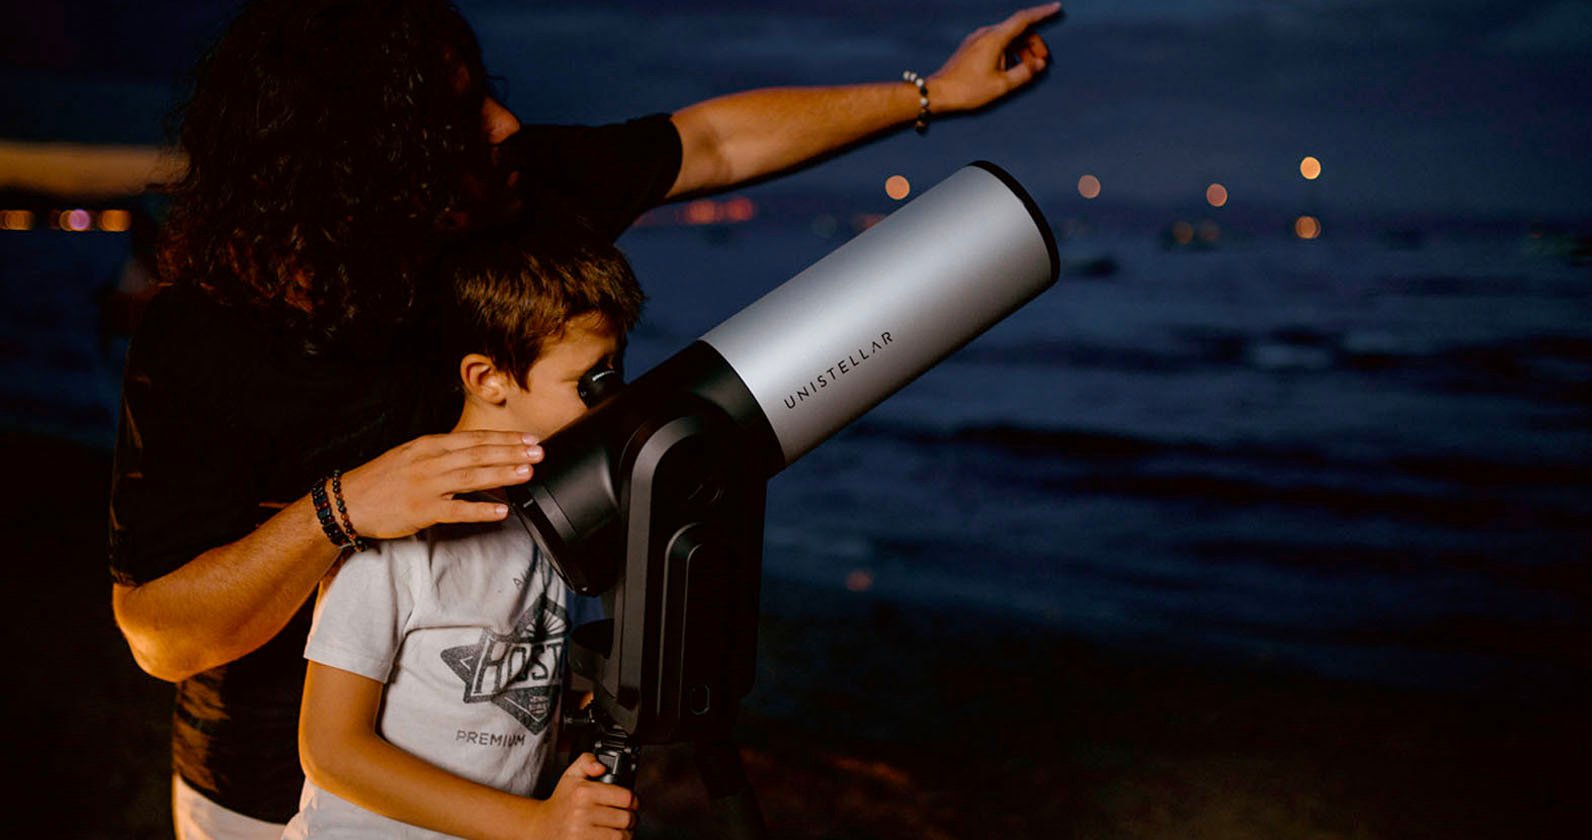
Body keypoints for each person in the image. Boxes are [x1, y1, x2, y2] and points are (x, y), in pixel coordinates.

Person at [107, 1, 1062, 836]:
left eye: (483, 88)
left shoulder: (508, 197)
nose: (506, 121)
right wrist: (341, 511)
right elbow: (162, 635)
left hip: (507, 777)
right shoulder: (210, 334)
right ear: (367, 164)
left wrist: (933, 93)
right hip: (272, 792)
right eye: (456, 115)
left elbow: (713, 143)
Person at [282, 229, 642, 840]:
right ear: (488, 378)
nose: (612, 398)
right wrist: (536, 826)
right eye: (589, 380)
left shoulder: (547, 519)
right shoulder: (399, 529)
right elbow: (331, 749)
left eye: (616, 369)